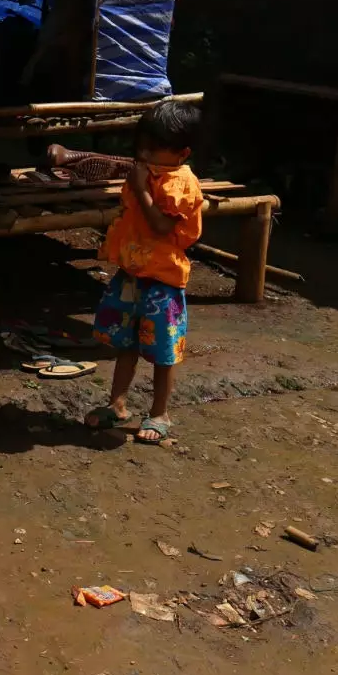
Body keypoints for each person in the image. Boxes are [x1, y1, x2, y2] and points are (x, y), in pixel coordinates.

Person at [86, 103, 205, 444]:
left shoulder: (181, 183)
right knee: (126, 343)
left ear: (182, 153)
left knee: (163, 352)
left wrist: (141, 188)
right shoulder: (149, 172)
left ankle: (159, 412)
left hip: (162, 282)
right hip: (133, 275)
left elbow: (160, 225)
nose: (144, 153)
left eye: (154, 148)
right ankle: (117, 404)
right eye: (143, 146)